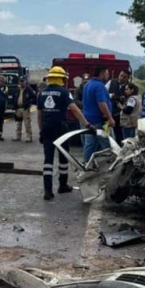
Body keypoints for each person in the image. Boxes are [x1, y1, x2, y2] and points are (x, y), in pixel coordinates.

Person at [38, 66, 92, 201]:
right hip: (61, 128)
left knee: (48, 160)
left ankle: (47, 191)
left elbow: (39, 115)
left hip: (47, 128)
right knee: (63, 157)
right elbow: (74, 109)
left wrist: (41, 131)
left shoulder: (42, 93)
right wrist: (86, 124)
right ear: (61, 79)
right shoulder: (64, 92)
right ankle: (62, 185)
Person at [82, 66, 115, 162]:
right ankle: (110, 166)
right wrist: (110, 118)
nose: (108, 76)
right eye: (107, 74)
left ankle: (87, 165)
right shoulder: (100, 86)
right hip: (99, 121)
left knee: (90, 145)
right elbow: (102, 103)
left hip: (89, 120)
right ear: (102, 73)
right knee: (108, 145)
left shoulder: (88, 84)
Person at [108, 71, 129, 145]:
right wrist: (111, 96)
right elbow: (103, 92)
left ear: (127, 78)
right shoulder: (111, 82)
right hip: (111, 112)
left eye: (124, 77)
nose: (121, 78)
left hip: (123, 114)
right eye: (120, 76)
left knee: (121, 133)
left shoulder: (129, 86)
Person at [13, 76, 36, 142]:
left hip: (25, 108)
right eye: (20, 81)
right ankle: (18, 136)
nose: (21, 83)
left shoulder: (29, 89)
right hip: (18, 108)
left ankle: (29, 136)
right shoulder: (17, 89)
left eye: (23, 81)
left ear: (25, 82)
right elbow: (14, 96)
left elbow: (34, 97)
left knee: (27, 123)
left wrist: (29, 103)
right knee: (18, 123)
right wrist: (14, 105)